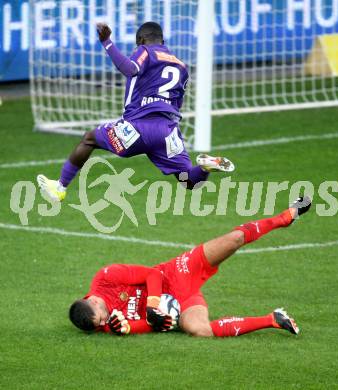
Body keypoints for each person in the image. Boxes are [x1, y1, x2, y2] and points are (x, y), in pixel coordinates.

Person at [37, 22, 234, 201]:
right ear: (163, 41)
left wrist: (106, 42)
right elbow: (177, 102)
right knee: (188, 181)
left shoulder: (145, 51)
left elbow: (130, 69)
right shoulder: (181, 66)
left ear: (141, 40)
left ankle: (60, 187)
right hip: (167, 132)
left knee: (89, 139)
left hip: (137, 127)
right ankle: (205, 167)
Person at [69, 196, 311, 337]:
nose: (103, 324)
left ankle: (284, 218)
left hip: (175, 274)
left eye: (100, 319)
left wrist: (152, 305)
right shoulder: (106, 325)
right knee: (200, 331)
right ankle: (273, 319)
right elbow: (148, 326)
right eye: (99, 325)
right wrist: (143, 325)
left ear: (93, 302)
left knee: (234, 240)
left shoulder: (106, 277)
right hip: (179, 301)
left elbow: (152, 274)